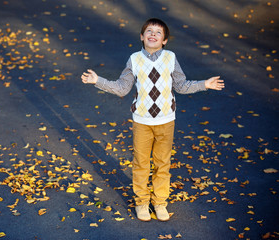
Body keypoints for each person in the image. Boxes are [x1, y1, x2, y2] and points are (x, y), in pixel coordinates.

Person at [81, 18, 224, 222]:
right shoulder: (134, 59)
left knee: (162, 163)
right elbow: (122, 87)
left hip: (166, 121)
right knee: (141, 163)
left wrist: (205, 84)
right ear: (142, 36)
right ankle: (141, 202)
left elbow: (181, 86)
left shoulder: (171, 58)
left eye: (158, 32)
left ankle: (159, 202)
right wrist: (98, 81)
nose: (153, 34)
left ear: (164, 40)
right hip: (142, 122)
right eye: (149, 31)